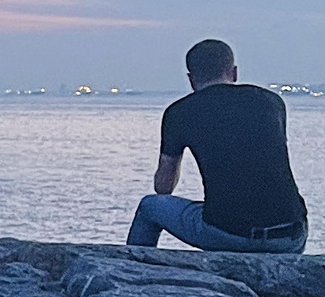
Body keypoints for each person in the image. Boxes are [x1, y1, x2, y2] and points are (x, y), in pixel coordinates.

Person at [127, 39, 308, 253]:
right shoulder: (271, 102)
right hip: (290, 236)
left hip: (228, 235)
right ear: (234, 73)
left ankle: (134, 268)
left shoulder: (180, 112)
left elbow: (163, 188)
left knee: (150, 206)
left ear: (191, 79)